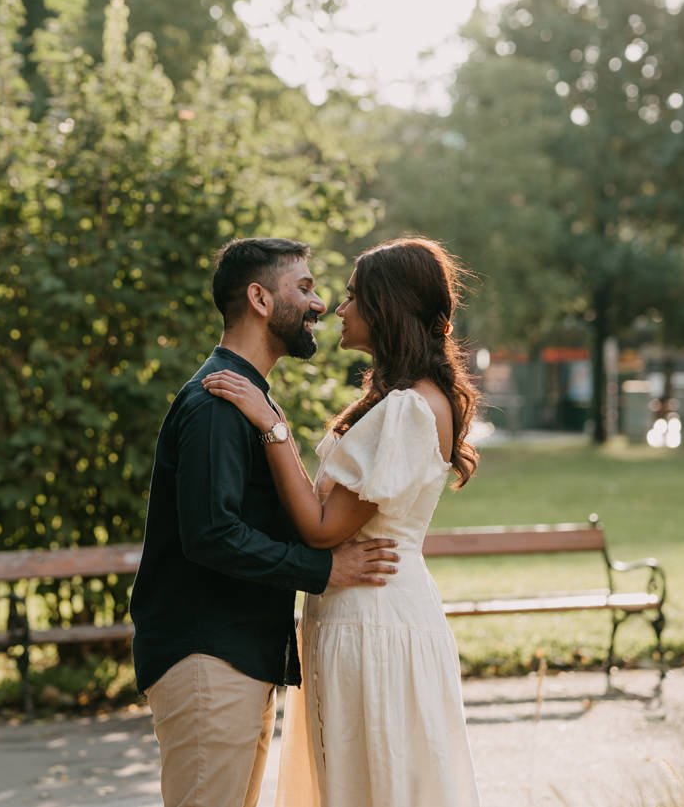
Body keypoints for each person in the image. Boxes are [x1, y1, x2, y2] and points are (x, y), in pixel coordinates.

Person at [202, 236, 482, 807]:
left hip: (373, 616)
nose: (337, 307)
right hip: (358, 613)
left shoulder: (408, 409)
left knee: (376, 780)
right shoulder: (400, 400)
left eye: (354, 295)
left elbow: (324, 529)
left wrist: (271, 424)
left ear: (387, 307)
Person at [130, 236, 400, 807]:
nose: (320, 303)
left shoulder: (244, 397)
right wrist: (324, 568)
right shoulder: (216, 404)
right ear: (258, 298)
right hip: (207, 658)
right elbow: (212, 536)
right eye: (303, 287)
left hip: (235, 657)